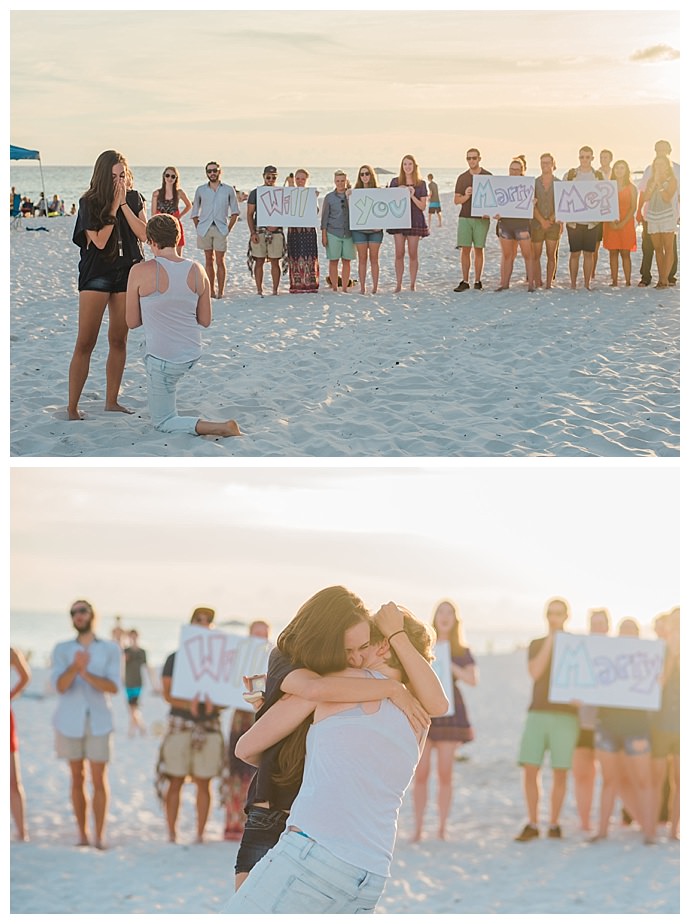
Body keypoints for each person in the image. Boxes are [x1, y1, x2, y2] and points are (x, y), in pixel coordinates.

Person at [224, 603, 448, 913]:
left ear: (383, 646)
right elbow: (437, 702)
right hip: (372, 872)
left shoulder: (337, 682)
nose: (352, 656)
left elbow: (246, 748)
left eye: (364, 644)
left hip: (314, 855)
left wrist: (274, 701)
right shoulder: (419, 720)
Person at [125, 213, 241, 438]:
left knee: (163, 421)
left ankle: (223, 427)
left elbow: (132, 322)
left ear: (152, 242)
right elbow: (205, 321)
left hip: (163, 359)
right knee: (159, 364)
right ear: (178, 239)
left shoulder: (139, 271)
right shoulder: (198, 269)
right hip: (191, 353)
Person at [68, 149, 147, 420]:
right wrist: (113, 206)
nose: (119, 181)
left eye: (123, 175)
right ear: (103, 176)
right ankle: (72, 408)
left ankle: (111, 401)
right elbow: (99, 241)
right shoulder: (89, 202)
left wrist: (124, 204)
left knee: (119, 340)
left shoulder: (135, 199)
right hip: (96, 274)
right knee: (86, 341)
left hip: (126, 273)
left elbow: (144, 234)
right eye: (114, 176)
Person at [50, 600, 121, 848]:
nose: (78, 616)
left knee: (99, 778)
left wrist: (86, 673)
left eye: (82, 611)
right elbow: (60, 686)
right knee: (76, 777)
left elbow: (114, 687)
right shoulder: (61, 648)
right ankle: (82, 834)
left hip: (99, 720)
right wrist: (75, 667)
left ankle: (99, 836)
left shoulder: (110, 648)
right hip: (69, 720)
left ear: (92, 614)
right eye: (73, 612)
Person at [158, 606, 226, 844]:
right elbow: (166, 693)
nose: (204, 623)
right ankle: (172, 833)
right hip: (180, 725)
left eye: (209, 620)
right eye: (199, 619)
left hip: (208, 725)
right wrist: (190, 707)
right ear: (190, 623)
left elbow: (226, 695)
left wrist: (212, 708)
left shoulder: (220, 660)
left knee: (204, 781)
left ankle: (200, 833)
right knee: (175, 779)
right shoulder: (174, 658)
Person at [412, 600, 478, 842]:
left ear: (455, 619)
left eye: (450, 612)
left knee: (445, 773)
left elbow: (473, 679)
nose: (445, 616)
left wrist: (447, 661)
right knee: (420, 773)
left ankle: (441, 827)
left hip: (452, 711)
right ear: (435, 616)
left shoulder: (461, 649)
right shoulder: (422, 645)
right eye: (441, 611)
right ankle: (418, 828)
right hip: (427, 710)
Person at [515, 597, 579, 842]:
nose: (555, 617)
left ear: (566, 615)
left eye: (559, 613)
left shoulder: (575, 644)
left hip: (566, 715)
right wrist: (552, 640)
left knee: (560, 771)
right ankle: (533, 822)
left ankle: (554, 823)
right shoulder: (537, 643)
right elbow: (535, 672)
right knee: (531, 768)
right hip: (538, 712)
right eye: (551, 613)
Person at [591, 618, 657, 844]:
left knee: (643, 781)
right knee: (609, 780)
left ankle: (650, 833)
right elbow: (590, 682)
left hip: (636, 728)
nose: (627, 635)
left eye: (631, 631)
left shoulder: (648, 660)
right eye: (623, 631)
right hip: (607, 725)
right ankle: (601, 831)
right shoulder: (608, 658)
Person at [222, 620, 272, 841]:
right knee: (235, 770)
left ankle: (248, 822)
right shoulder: (238, 658)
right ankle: (232, 821)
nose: (260, 637)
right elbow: (224, 687)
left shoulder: (273, 659)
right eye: (256, 633)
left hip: (261, 719)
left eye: (264, 634)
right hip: (241, 719)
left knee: (256, 773)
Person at [571, 607, 610, 832]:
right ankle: (585, 820)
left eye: (601, 624)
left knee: (610, 777)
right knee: (583, 775)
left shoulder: (617, 653)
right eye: (594, 624)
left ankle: (605, 821)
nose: (597, 628)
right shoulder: (580, 650)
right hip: (582, 723)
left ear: (607, 626)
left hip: (608, 724)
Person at [190, 161, 240, 299]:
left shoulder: (228, 190)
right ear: (206, 173)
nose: (212, 173)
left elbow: (235, 212)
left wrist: (227, 229)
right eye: (209, 171)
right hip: (204, 229)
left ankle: (220, 292)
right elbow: (194, 212)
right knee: (208, 260)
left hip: (220, 228)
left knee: (220, 260)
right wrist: (198, 227)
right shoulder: (200, 190)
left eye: (214, 170)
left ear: (219, 171)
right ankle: (210, 291)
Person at [651, 607, 679, 840]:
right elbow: (657, 684)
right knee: (657, 779)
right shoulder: (658, 652)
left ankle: (674, 830)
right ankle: (652, 828)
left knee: (680, 781)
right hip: (660, 726)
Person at [636, 140, 680, 287]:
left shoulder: (675, 174)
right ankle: (660, 277)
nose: (659, 166)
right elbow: (646, 196)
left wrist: (661, 183)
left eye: (661, 164)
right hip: (652, 215)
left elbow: (668, 197)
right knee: (656, 248)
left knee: (669, 247)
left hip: (668, 214)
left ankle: (666, 279)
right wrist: (654, 183)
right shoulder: (650, 174)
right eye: (657, 164)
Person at [563, 146, 604, 290]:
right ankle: (573, 284)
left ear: (592, 158)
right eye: (582, 157)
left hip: (592, 223)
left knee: (589, 254)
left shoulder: (598, 176)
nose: (584, 160)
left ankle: (587, 284)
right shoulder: (571, 174)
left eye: (587, 157)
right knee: (574, 254)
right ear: (578, 157)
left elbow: (604, 197)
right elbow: (563, 195)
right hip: (574, 222)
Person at [387, 154, 429, 292]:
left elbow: (422, 207)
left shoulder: (421, 184)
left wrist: (411, 196)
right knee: (399, 253)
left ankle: (412, 284)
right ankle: (398, 284)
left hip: (415, 220)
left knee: (413, 253)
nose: (407, 167)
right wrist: (399, 191)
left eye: (410, 164)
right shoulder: (395, 181)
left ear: (414, 166)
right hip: (398, 220)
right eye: (405, 164)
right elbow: (389, 201)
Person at [495, 158, 536, 292]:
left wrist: (533, 203)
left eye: (517, 169)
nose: (513, 172)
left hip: (522, 224)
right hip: (505, 223)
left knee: (527, 255)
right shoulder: (502, 184)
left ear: (522, 171)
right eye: (511, 169)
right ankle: (505, 284)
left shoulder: (528, 185)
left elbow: (531, 204)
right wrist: (494, 213)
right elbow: (496, 203)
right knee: (507, 255)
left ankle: (531, 285)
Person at [453, 148, 492, 291]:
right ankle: (465, 280)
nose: (471, 161)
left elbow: (493, 200)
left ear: (479, 158)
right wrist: (466, 196)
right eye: (468, 158)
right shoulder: (462, 178)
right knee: (465, 250)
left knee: (479, 249)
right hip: (465, 217)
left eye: (474, 158)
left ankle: (478, 280)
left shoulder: (488, 176)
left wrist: (489, 212)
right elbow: (456, 200)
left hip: (481, 219)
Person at [247, 165, 286, 296]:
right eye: (268, 177)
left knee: (275, 261)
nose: (271, 179)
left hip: (276, 232)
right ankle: (259, 289)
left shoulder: (281, 192)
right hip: (260, 231)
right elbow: (249, 214)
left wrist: (277, 225)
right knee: (259, 260)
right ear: (263, 176)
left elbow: (285, 213)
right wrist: (252, 232)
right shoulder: (255, 193)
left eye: (273, 177)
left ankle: (275, 290)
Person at [602, 160, 638, 287]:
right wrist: (611, 221)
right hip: (610, 222)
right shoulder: (608, 187)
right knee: (613, 252)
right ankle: (615, 281)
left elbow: (633, 207)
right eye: (617, 168)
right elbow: (604, 205)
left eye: (622, 168)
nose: (619, 170)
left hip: (626, 222)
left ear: (626, 170)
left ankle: (628, 281)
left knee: (625, 253)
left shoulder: (632, 188)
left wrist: (623, 223)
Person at [320, 170, 355, 292]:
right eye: (338, 181)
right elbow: (324, 218)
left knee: (347, 261)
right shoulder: (329, 198)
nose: (340, 183)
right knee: (333, 261)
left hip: (349, 233)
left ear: (346, 181)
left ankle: (344, 287)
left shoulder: (352, 195)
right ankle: (335, 287)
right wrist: (324, 235)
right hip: (333, 232)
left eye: (342, 181)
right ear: (335, 182)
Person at [531, 153, 562, 289]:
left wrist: (550, 219)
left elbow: (562, 204)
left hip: (553, 224)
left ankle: (549, 283)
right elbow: (531, 205)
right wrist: (542, 220)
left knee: (551, 255)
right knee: (536, 255)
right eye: (543, 162)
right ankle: (538, 282)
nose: (545, 165)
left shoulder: (559, 183)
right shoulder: (534, 183)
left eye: (548, 162)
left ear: (553, 164)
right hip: (537, 223)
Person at [286, 168, 319, 294]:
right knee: (295, 255)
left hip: (308, 228)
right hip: (294, 229)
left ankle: (310, 283)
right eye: (298, 178)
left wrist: (313, 198)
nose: (300, 181)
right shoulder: (290, 192)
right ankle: (296, 283)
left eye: (303, 179)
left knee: (309, 255)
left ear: (306, 180)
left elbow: (315, 211)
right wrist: (290, 186)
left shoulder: (310, 194)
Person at [10, 646, 31, 841]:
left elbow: (25, 676)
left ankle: (22, 832)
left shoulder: (9, 652)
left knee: (12, 781)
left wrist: (9, 695)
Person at [352, 165, 383, 294]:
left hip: (375, 231)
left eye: (367, 173)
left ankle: (375, 287)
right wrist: (349, 195)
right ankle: (363, 287)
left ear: (371, 175)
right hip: (359, 231)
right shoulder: (355, 192)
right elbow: (352, 210)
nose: (364, 176)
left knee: (374, 259)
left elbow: (384, 210)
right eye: (362, 174)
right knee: (362, 259)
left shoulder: (379, 191)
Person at [123, 629, 158, 737]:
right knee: (132, 708)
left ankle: (133, 731)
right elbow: (120, 665)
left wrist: (154, 684)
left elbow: (148, 667)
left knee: (134, 707)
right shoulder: (126, 651)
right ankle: (141, 728)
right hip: (128, 682)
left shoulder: (142, 652)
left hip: (138, 682)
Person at [151, 167, 192, 256]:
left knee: (177, 255)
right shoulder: (156, 193)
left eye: (173, 176)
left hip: (175, 225)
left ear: (176, 178)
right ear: (164, 177)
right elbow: (153, 214)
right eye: (167, 175)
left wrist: (180, 216)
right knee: (159, 255)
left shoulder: (179, 193)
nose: (170, 178)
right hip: (160, 226)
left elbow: (189, 205)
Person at [591, 149, 613, 279]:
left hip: (610, 212)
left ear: (610, 159)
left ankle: (613, 273)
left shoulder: (614, 173)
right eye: (601, 157)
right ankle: (592, 271)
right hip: (598, 213)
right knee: (595, 246)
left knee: (612, 246)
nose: (603, 159)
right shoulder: (596, 173)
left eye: (606, 157)